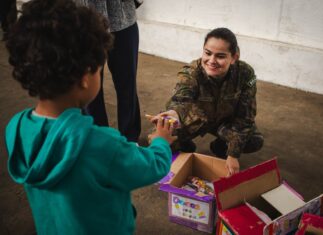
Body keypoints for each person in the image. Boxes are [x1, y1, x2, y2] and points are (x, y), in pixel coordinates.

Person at [4, 0, 176, 234]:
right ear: (86, 77)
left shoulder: (16, 127)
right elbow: (152, 167)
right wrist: (161, 141)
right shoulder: (102, 145)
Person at [149, 28, 264, 176]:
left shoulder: (246, 74)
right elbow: (180, 100)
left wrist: (233, 154)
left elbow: (245, 117)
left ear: (234, 57)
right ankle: (185, 145)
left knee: (254, 140)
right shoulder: (191, 72)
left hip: (225, 122)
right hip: (196, 120)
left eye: (220, 56)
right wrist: (173, 114)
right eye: (207, 53)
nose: (212, 61)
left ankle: (221, 147)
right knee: (158, 138)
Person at [75, 0, 141, 143]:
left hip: (123, 18)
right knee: (89, 88)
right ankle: (98, 139)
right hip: (83, 22)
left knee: (127, 84)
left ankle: (130, 138)